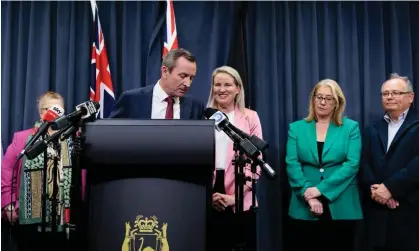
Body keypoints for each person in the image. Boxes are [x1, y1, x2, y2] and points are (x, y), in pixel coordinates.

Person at [285, 79, 362, 251]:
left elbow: (352, 164)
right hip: (304, 203)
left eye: (328, 98)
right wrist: (308, 194)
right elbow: (292, 163)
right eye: (319, 97)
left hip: (341, 203)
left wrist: (320, 190)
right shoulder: (296, 128)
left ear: (337, 102)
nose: (322, 102)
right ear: (313, 99)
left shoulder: (350, 128)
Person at [1, 91, 79, 251]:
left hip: (64, 220)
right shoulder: (22, 139)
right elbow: (6, 173)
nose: (57, 114)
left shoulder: (74, 138)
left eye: (60, 109)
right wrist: (8, 206)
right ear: (42, 112)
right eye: (52, 109)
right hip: (30, 222)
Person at [360, 73, 419, 251]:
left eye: (396, 93)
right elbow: (363, 160)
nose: (390, 97)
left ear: (410, 97)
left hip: (410, 208)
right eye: (385, 94)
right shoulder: (372, 127)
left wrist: (391, 188)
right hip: (377, 209)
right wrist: (376, 189)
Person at [206, 66, 263, 251]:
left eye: (228, 85)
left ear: (238, 88)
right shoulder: (203, 117)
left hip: (241, 197)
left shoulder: (250, 117)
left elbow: (256, 161)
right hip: (210, 194)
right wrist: (208, 196)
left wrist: (235, 198)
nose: (222, 89)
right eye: (218, 85)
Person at [109, 48, 204, 119]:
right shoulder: (132, 100)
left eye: (191, 78)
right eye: (183, 76)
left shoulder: (196, 107)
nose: (188, 84)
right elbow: (110, 133)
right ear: (165, 72)